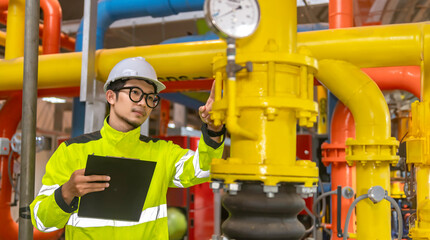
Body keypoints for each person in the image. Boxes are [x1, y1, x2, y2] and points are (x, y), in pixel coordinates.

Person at [30, 57, 225, 239]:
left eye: (150, 98)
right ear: (111, 96)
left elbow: (203, 169)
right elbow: (41, 221)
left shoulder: (163, 153)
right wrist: (67, 192)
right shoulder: (71, 151)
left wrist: (213, 129)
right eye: (135, 93)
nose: (143, 103)